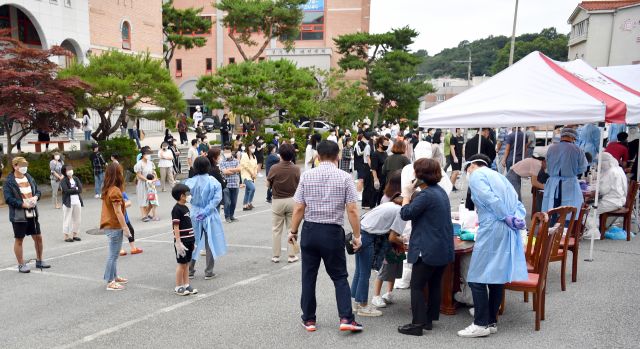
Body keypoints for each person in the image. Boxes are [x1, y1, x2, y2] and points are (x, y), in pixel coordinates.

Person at [289, 140, 363, 333]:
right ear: (338, 156)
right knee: (339, 276)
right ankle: (346, 317)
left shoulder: (307, 176)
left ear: (318, 156)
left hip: (310, 230)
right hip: (332, 231)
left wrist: (293, 231)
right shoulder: (345, 177)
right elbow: (353, 210)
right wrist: (357, 235)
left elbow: (298, 207)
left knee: (308, 276)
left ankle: (309, 319)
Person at [457, 154, 528, 338]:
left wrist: (504, 215)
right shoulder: (500, 177)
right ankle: (491, 320)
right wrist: (516, 218)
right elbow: (517, 202)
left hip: (493, 226)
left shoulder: (477, 175)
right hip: (506, 228)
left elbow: (489, 199)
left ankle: (480, 323)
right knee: (497, 276)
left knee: (476, 277)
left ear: (471, 166)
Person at [396, 158, 454, 336]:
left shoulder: (425, 195)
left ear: (420, 175)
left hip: (427, 247)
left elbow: (405, 213)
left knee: (417, 286)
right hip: (442, 246)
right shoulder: (439, 192)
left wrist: (406, 194)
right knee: (434, 283)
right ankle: (428, 320)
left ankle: (417, 324)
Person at [352, 194, 406, 317]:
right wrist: (404, 242)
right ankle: (363, 306)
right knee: (364, 273)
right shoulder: (401, 211)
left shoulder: (390, 204)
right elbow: (393, 237)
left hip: (360, 232)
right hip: (368, 236)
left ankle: (357, 303)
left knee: (359, 271)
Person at [4, 157, 51, 273]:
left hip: (33, 213)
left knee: (38, 237)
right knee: (19, 239)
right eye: (22, 165)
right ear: (15, 166)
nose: (25, 167)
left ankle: (39, 260)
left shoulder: (29, 177)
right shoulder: (9, 181)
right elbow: (8, 199)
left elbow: (38, 191)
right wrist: (22, 204)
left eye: (26, 165)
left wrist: (36, 197)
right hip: (19, 215)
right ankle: (21, 264)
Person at [185, 157, 227, 280]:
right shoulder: (214, 181)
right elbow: (217, 199)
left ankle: (190, 270)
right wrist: (207, 210)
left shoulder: (190, 182)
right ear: (208, 166)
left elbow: (184, 195)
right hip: (210, 214)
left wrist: (192, 201)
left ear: (195, 167)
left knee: (194, 242)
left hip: (195, 213)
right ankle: (209, 271)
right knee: (210, 242)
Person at [100, 162, 132, 291]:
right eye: (121, 171)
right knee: (113, 255)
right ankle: (110, 281)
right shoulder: (115, 191)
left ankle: (114, 276)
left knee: (114, 254)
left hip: (110, 225)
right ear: (118, 174)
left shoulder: (109, 188)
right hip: (114, 225)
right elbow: (118, 212)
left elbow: (116, 209)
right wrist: (125, 228)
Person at [267, 144, 301, 263]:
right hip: (292, 200)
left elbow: (268, 184)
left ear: (280, 154)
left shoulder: (274, 168)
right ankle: (291, 255)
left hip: (277, 200)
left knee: (276, 229)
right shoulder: (296, 169)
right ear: (292, 155)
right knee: (292, 229)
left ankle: (276, 256)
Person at [541, 128, 588, 214]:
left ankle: (550, 226)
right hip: (569, 183)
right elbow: (583, 167)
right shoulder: (577, 150)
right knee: (568, 211)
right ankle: (566, 226)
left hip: (553, 184)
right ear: (573, 137)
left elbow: (546, 165)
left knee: (552, 209)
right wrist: (572, 172)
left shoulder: (551, 148)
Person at [171, 184, 198, 295]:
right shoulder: (176, 209)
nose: (189, 196)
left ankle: (186, 284)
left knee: (187, 263)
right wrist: (178, 242)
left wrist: (193, 240)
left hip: (189, 240)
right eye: (187, 194)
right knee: (181, 264)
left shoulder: (186, 207)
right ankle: (178, 286)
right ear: (182, 196)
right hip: (182, 241)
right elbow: (176, 226)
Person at [594, 152, 628, 234]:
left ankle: (593, 233)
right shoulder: (618, 169)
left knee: (590, 210)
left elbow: (602, 190)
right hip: (620, 199)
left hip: (612, 201)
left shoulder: (610, 172)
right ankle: (597, 229)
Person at [60, 164, 83, 242]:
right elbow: (66, 191)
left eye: (71, 169)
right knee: (67, 218)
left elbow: (80, 189)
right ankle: (66, 236)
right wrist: (75, 189)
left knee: (77, 219)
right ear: (64, 172)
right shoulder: (63, 180)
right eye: (68, 170)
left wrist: (73, 189)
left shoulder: (76, 178)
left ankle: (75, 235)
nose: (70, 171)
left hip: (77, 201)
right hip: (68, 202)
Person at [219, 146, 241, 223]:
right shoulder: (222, 162)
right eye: (225, 152)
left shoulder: (236, 160)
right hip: (226, 185)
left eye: (228, 152)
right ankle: (227, 217)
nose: (226, 153)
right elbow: (225, 172)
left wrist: (230, 170)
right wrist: (234, 170)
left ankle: (231, 216)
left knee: (234, 202)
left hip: (235, 184)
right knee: (227, 202)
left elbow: (239, 169)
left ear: (231, 152)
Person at [134, 148, 156, 220]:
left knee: (152, 199)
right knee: (143, 199)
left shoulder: (150, 163)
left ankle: (146, 214)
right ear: (143, 155)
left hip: (150, 184)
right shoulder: (139, 164)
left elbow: (153, 172)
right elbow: (139, 175)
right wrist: (146, 180)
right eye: (148, 154)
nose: (149, 155)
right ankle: (144, 216)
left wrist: (155, 178)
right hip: (142, 184)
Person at [119, 190, 143, 256]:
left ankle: (133, 248)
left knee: (131, 231)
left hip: (125, 218)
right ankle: (120, 250)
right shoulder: (111, 192)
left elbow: (129, 203)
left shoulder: (122, 192)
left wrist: (120, 205)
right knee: (118, 233)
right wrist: (121, 205)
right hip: (116, 219)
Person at [370, 137, 389, 205]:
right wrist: (375, 179)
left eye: (387, 143)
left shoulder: (385, 153)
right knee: (375, 194)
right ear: (380, 144)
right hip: (378, 177)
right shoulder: (375, 154)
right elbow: (373, 168)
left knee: (382, 195)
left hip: (384, 178)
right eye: (385, 144)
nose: (387, 145)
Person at [240, 143, 258, 211]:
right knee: (252, 188)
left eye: (254, 147)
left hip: (252, 175)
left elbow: (256, 166)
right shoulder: (245, 155)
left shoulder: (254, 156)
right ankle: (249, 203)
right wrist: (252, 173)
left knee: (247, 191)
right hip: (246, 175)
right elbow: (245, 166)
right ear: (248, 147)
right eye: (251, 147)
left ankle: (245, 205)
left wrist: (255, 174)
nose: (253, 148)